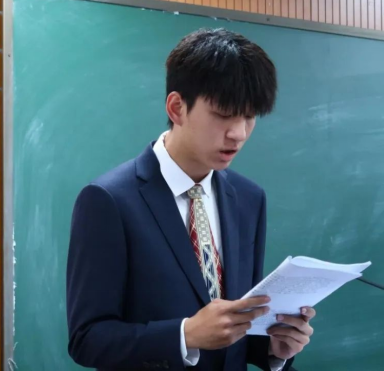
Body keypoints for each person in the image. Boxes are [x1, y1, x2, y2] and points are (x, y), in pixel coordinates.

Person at [66, 28, 315, 371]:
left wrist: (275, 348)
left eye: (249, 116)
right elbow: (87, 339)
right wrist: (184, 335)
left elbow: (237, 327)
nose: (239, 133)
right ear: (177, 108)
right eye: (223, 114)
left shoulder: (249, 198)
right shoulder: (109, 200)